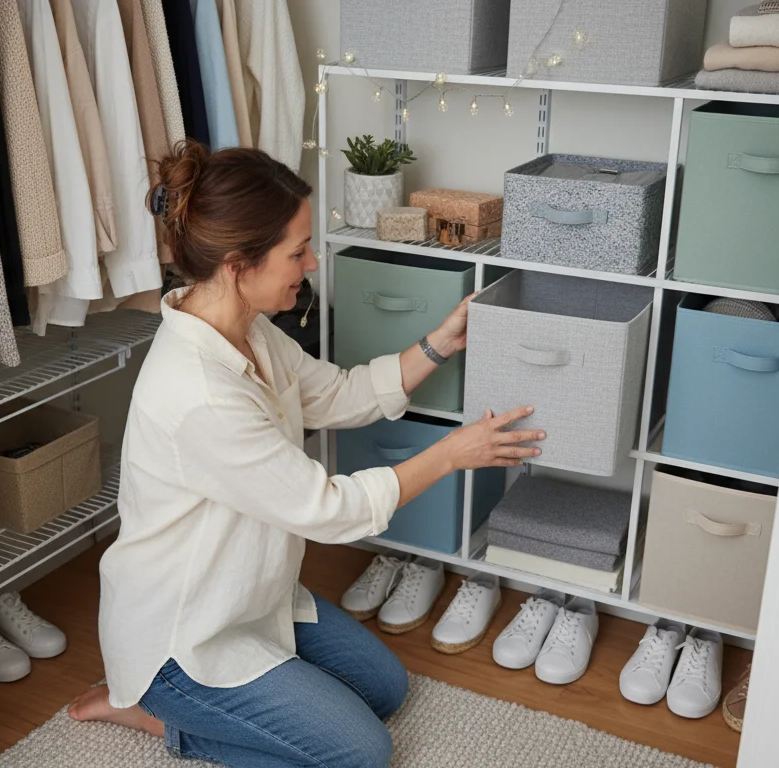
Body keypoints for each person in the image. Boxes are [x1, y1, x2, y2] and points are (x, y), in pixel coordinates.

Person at [68, 141, 543, 767]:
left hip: (251, 597)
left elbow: (338, 394)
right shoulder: (200, 395)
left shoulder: (247, 329)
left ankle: (200, 707)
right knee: (362, 755)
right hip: (186, 641)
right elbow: (326, 509)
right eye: (297, 252)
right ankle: (158, 712)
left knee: (385, 689)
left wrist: (437, 345)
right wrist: (451, 454)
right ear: (239, 265)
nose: (311, 263)